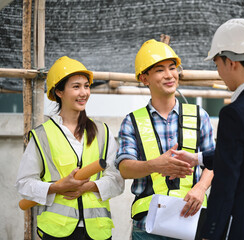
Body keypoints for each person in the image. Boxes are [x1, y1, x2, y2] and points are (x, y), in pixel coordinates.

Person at [173, 18, 244, 240]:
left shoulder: (234, 113)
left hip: (243, 230)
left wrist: (211, 233)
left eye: (217, 65)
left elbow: (225, 185)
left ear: (231, 62)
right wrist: (197, 158)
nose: (219, 73)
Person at [115, 39, 215, 240]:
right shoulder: (132, 121)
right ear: (144, 78)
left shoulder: (199, 115)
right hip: (147, 227)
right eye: (160, 70)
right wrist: (156, 165)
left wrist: (201, 187)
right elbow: (124, 169)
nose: (170, 75)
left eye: (172, 68)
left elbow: (214, 163)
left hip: (192, 219)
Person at [16, 56, 124, 240]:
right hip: (57, 232)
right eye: (76, 87)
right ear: (59, 91)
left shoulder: (102, 132)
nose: (84, 93)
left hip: (97, 231)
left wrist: (88, 186)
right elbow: (24, 184)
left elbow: (117, 181)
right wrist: (56, 188)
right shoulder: (42, 135)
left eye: (86, 86)